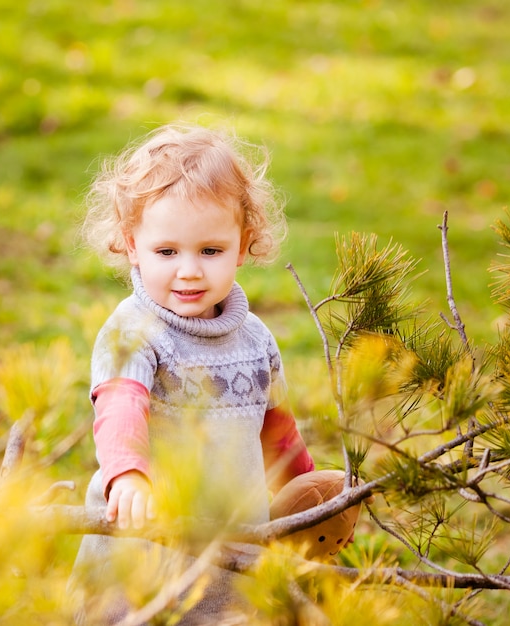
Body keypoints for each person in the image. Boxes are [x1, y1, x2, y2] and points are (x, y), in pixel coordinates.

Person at [72, 123, 315, 624]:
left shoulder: (255, 339)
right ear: (131, 245)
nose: (188, 270)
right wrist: (130, 476)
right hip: (144, 548)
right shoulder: (134, 331)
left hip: (234, 547)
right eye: (167, 252)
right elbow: (120, 406)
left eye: (210, 251)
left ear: (243, 246)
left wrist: (310, 496)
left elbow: (278, 432)